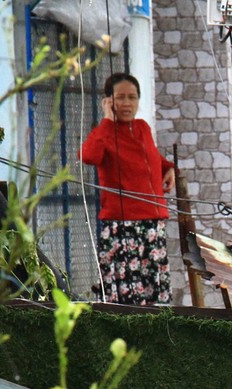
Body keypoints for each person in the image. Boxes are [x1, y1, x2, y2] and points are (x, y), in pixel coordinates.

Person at [80, 72, 176, 305]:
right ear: (108, 101)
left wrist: (168, 168)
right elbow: (88, 156)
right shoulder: (104, 132)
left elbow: (149, 158)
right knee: (128, 299)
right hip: (122, 226)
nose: (126, 103)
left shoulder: (142, 128)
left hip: (152, 225)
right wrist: (107, 120)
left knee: (155, 296)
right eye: (120, 97)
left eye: (132, 97)